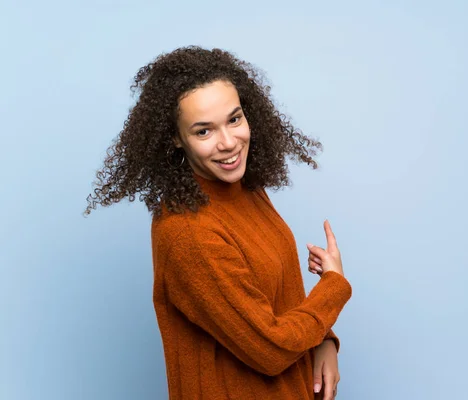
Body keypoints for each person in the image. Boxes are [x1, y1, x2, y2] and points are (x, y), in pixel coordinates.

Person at [84, 45, 352, 400]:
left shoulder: (245, 190)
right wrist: (333, 286)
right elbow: (270, 349)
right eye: (203, 131)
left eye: (235, 119)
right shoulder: (187, 231)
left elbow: (271, 305)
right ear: (176, 138)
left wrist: (324, 342)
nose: (229, 143)